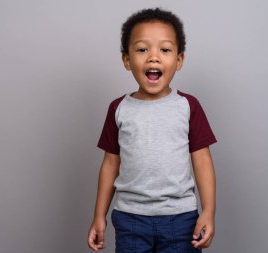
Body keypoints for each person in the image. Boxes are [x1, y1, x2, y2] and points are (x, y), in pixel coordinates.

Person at [87, 8, 217, 253]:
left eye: (165, 50)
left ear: (179, 60)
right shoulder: (118, 108)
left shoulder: (188, 106)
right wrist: (99, 216)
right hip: (130, 219)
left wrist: (209, 212)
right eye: (142, 49)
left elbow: (202, 161)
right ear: (127, 60)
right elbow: (110, 165)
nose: (153, 58)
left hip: (181, 219)